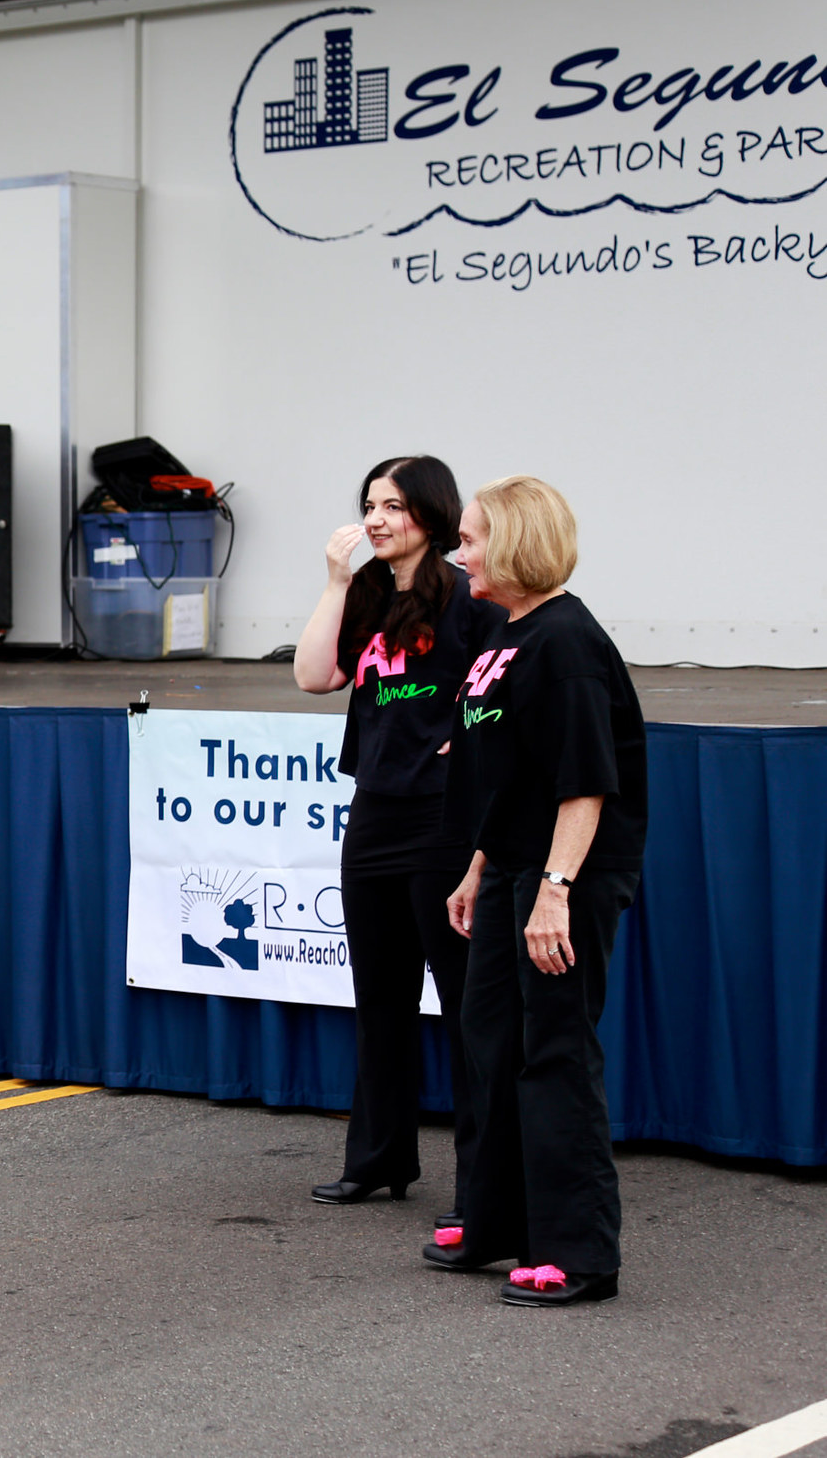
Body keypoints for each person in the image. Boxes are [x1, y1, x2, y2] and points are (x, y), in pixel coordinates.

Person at [422, 476, 646, 1309]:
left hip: (565, 875)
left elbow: (584, 783)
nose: (459, 551)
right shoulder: (505, 637)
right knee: (490, 1042)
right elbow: (506, 773)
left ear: (514, 544)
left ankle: (578, 1253)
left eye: (473, 538)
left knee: (553, 1052)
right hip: (513, 866)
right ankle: (494, 1220)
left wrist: (554, 889)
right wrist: (482, 867)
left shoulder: (567, 643)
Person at [290, 457, 499, 1221]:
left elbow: (508, 681)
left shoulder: (470, 595)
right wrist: (337, 583)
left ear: (433, 517)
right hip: (374, 809)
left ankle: (485, 1182)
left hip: (444, 816)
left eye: (394, 506)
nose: (376, 519)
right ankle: (379, 1158)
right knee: (379, 995)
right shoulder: (370, 592)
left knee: (465, 999)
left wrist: (466, 735)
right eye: (369, 505)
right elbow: (314, 676)